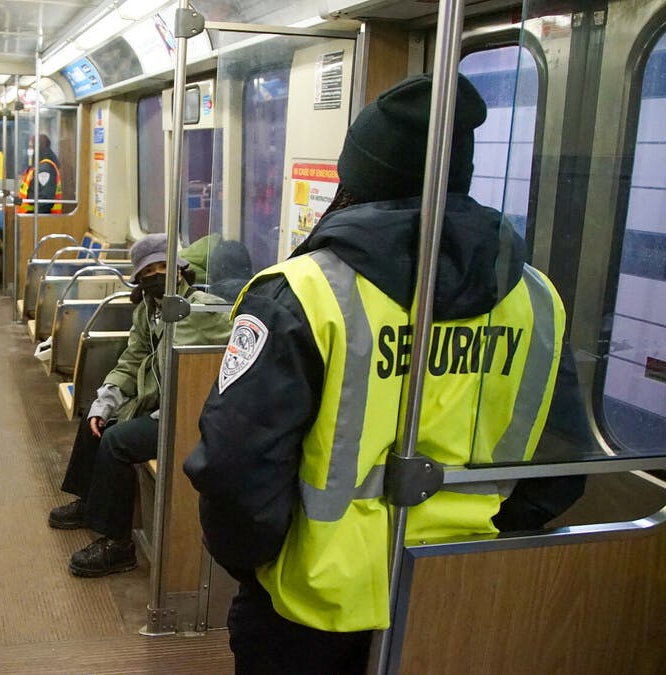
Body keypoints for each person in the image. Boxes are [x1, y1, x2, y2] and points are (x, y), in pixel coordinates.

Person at [184, 74, 584, 674]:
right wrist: (487, 535)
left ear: (359, 179)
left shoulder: (301, 293)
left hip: (312, 601)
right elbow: (564, 462)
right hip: (459, 589)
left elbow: (236, 468)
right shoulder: (536, 298)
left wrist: (262, 566)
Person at [48, 233, 230, 577]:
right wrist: (107, 400)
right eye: (149, 273)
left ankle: (118, 545)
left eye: (164, 267)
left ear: (180, 269)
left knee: (118, 442)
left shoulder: (202, 309)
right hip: (154, 400)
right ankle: (90, 502)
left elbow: (218, 355)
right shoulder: (151, 309)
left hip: (185, 411)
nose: (157, 276)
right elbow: (133, 359)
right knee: (95, 419)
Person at [18, 133, 63, 214]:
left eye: (31, 147)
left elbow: (45, 201)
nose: (29, 150)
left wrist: (35, 220)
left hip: (39, 220)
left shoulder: (45, 168)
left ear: (38, 148)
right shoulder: (38, 166)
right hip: (28, 217)